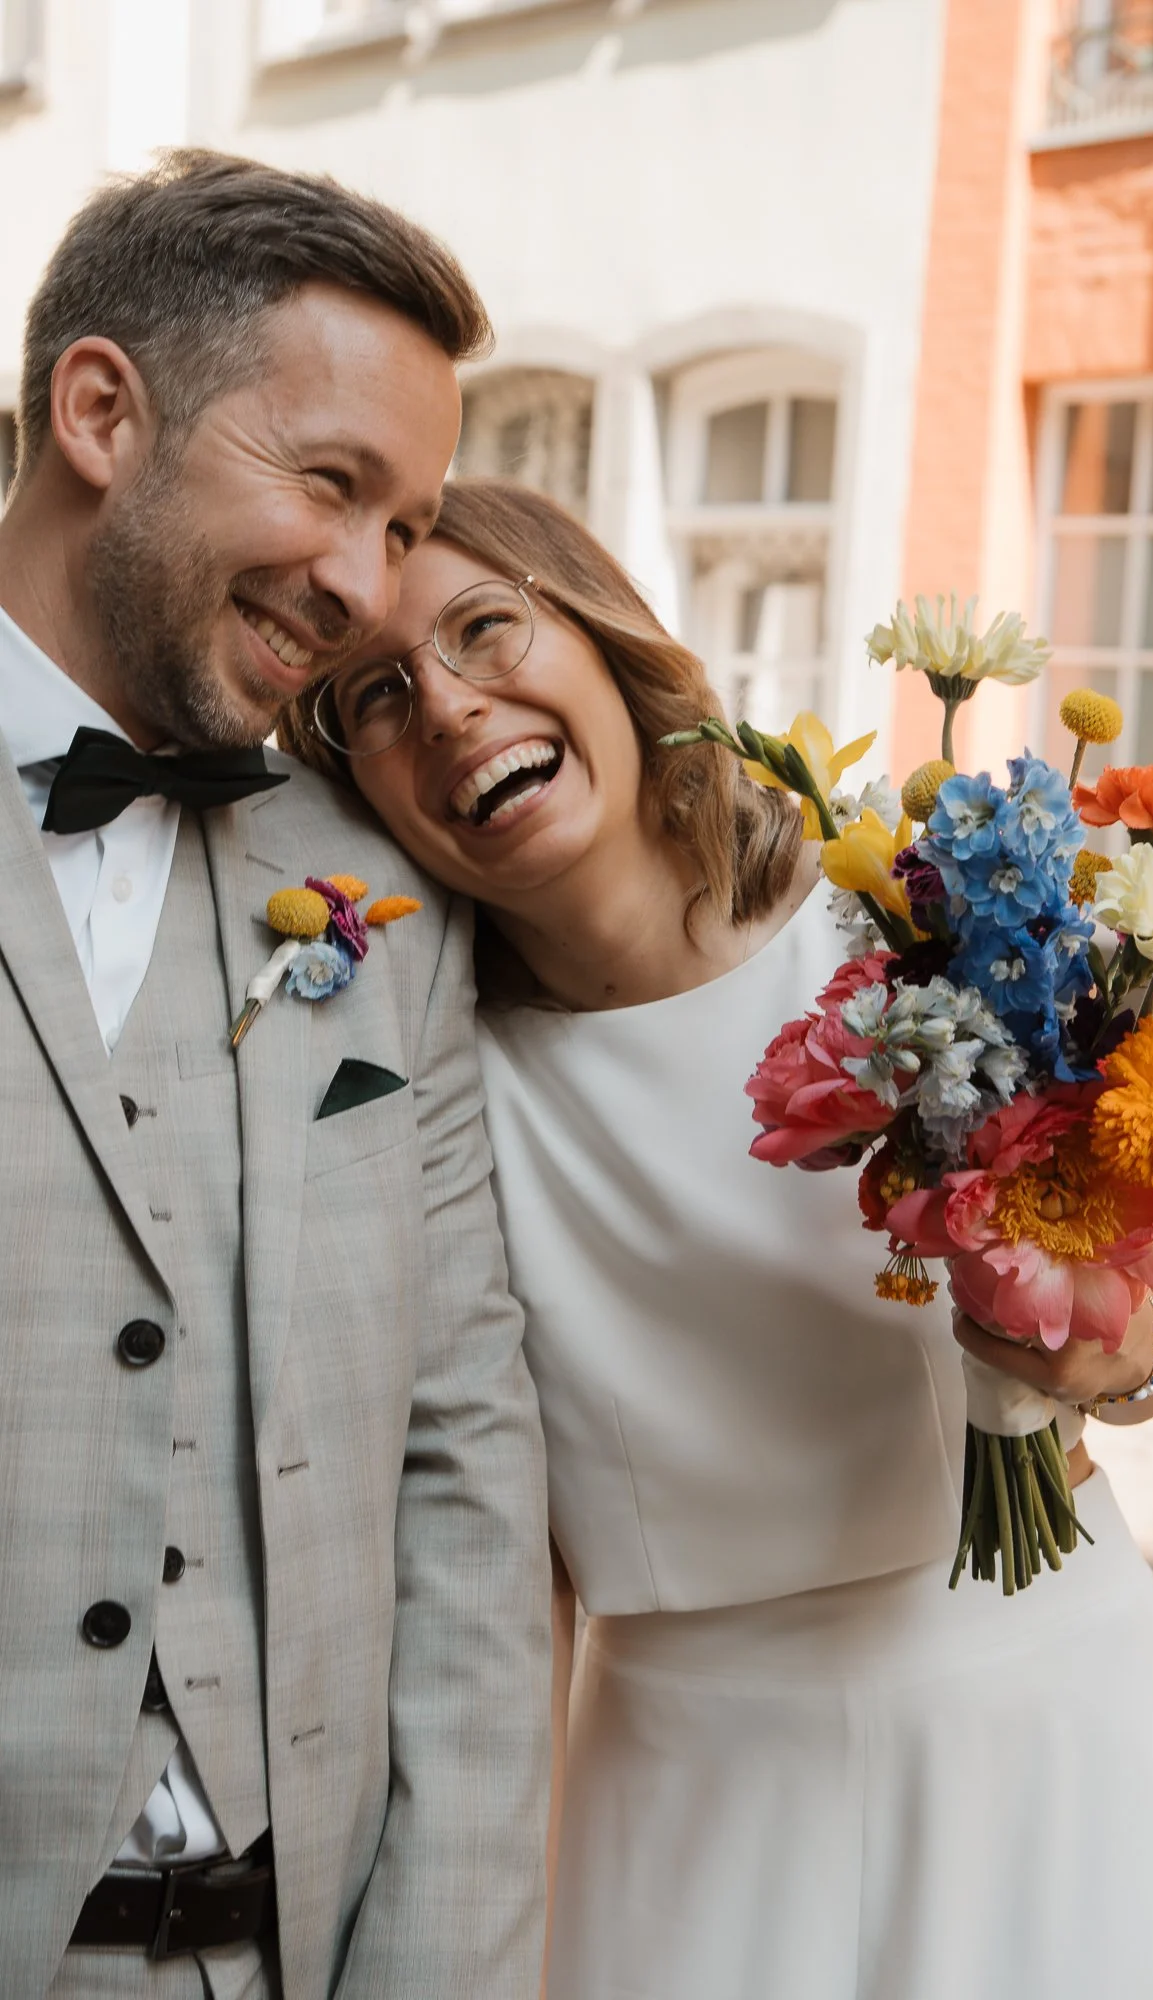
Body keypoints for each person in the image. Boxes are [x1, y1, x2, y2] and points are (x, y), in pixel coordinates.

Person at [283, 477, 1153, 2000]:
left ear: (604, 642)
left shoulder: (905, 919)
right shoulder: (422, 1088)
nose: (453, 709)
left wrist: (1100, 1344)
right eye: (374, 699)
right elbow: (494, 1566)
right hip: (691, 1793)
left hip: (1044, 1720)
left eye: (487, 629)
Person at [0, 164, 550, 1999]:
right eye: (331, 486)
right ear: (101, 411)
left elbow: (465, 1456)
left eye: (403, 525)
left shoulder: (382, 892)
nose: (367, 589)